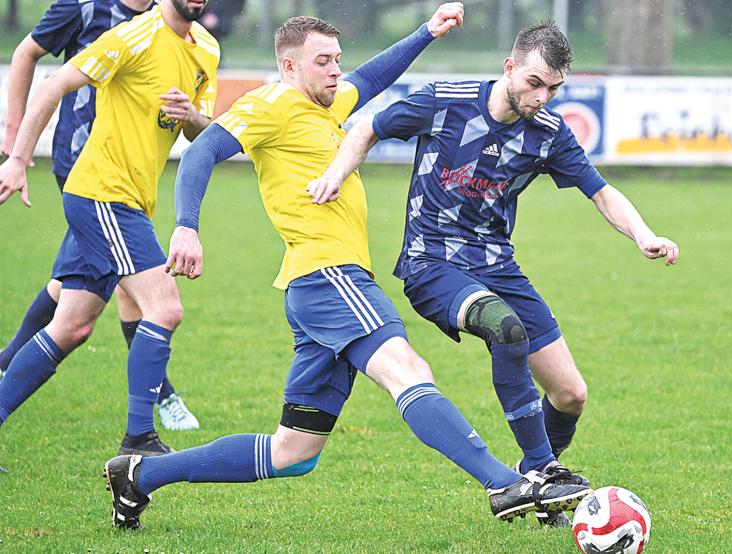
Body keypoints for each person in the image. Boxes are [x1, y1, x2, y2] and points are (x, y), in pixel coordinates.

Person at [102, 7, 591, 530]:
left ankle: (139, 475)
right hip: (328, 274)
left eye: (337, 59)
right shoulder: (270, 103)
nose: (337, 71)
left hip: (317, 288)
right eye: (323, 62)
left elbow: (376, 75)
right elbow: (204, 150)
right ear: (290, 67)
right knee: (409, 372)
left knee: (293, 451)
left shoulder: (325, 106)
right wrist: (186, 226)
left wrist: (427, 32)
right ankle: (506, 482)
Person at [309, 21, 680, 526]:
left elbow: (600, 190)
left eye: (553, 88)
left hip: (497, 265)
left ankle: (535, 482)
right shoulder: (446, 100)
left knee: (570, 393)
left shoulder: (549, 133)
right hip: (431, 261)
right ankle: (545, 470)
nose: (542, 97)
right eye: (534, 82)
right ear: (509, 67)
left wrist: (644, 235)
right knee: (505, 328)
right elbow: (369, 127)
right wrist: (338, 170)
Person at [0, 0, 221, 458]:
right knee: (165, 307)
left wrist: (191, 116)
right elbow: (55, 82)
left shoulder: (207, 48)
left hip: (131, 201)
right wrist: (18, 158)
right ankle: (140, 438)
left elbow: (202, 134)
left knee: (72, 327)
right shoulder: (135, 34)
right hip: (102, 193)